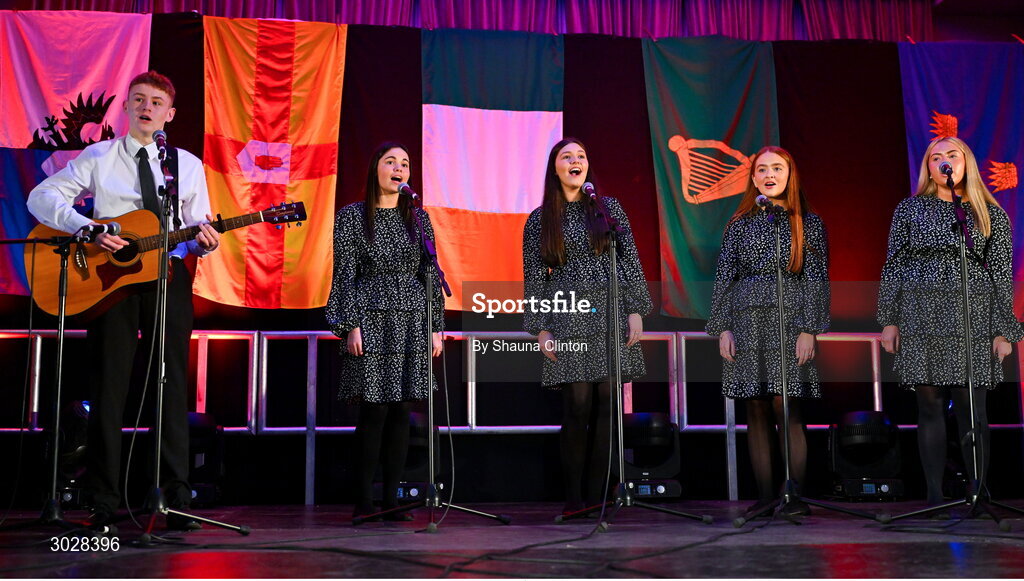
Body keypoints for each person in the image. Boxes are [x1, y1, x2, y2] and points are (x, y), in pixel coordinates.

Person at [26, 71, 220, 531]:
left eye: (156, 102)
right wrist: (86, 228)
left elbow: (195, 226)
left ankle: (173, 497)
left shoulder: (186, 165)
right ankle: (102, 500)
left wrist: (205, 242)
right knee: (109, 389)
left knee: (170, 386)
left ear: (170, 114)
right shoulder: (99, 156)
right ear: (128, 107)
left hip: (167, 276)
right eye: (139, 99)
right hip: (110, 281)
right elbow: (41, 196)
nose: (146, 107)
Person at [878, 136, 1021, 512]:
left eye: (951, 155)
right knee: (930, 406)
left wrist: (1003, 330)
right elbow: (894, 264)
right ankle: (934, 498)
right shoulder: (909, 209)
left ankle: (977, 493)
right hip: (920, 312)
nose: (944, 161)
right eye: (935, 157)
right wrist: (889, 319)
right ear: (928, 168)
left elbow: (1000, 275)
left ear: (965, 163)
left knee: (973, 408)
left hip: (972, 315)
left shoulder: (988, 213)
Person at [522, 138, 652, 515]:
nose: (575, 161)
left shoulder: (607, 209)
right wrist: (541, 327)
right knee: (578, 404)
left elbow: (629, 260)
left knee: (608, 405)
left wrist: (635, 309)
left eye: (580, 156)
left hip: (610, 310)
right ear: (555, 168)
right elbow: (534, 277)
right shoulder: (540, 219)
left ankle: (598, 497)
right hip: (568, 313)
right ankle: (574, 498)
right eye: (567, 157)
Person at [706, 146, 830, 517]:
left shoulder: (808, 222)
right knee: (756, 406)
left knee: (785, 404)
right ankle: (764, 498)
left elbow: (816, 279)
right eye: (762, 169)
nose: (769, 175)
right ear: (753, 178)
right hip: (746, 320)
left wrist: (809, 329)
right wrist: (723, 327)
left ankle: (793, 496)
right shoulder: (739, 224)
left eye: (777, 168)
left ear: (790, 175)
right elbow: (725, 277)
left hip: (790, 320)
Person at [326, 142, 444, 522]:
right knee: (374, 409)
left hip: (411, 320)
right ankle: (364, 500)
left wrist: (435, 327)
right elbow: (345, 273)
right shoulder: (352, 216)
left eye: (405, 163)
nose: (399, 168)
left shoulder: (418, 218)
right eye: (391, 161)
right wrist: (350, 324)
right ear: (375, 168)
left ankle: (392, 499)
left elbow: (429, 273)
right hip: (371, 317)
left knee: (402, 409)